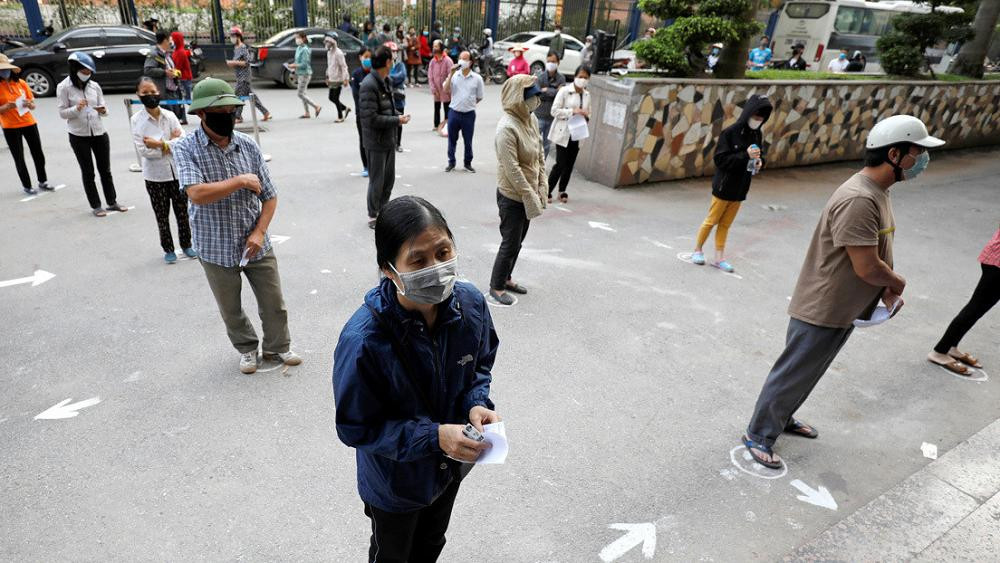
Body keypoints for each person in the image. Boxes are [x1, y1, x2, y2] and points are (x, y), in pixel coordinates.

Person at [743, 115, 945, 470]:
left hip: (843, 306)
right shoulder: (859, 199)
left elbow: (873, 254)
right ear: (894, 154)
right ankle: (759, 434)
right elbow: (866, 266)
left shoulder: (878, 191)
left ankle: (782, 417)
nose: (922, 161)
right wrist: (895, 282)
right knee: (794, 371)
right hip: (824, 304)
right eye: (917, 153)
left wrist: (883, 289)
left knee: (809, 370)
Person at [333, 195, 500, 563]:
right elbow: (355, 428)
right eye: (419, 260)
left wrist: (476, 402)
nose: (437, 267)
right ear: (390, 270)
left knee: (430, 546)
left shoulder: (470, 304)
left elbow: (480, 364)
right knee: (392, 554)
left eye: (443, 252)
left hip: (448, 471)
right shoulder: (363, 341)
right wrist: (434, 436)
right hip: (394, 484)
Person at [172, 77, 302, 375]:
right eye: (221, 112)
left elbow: (269, 197)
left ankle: (277, 346)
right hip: (214, 244)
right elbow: (196, 193)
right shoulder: (185, 148)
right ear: (202, 114)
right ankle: (246, 349)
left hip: (254, 241)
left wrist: (259, 232)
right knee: (230, 308)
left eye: (232, 111)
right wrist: (240, 181)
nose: (229, 117)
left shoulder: (248, 146)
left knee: (274, 302)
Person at [690, 95, 772, 273]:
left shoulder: (757, 134)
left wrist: (760, 162)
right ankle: (697, 250)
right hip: (724, 186)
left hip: (741, 188)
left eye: (761, 118)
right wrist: (745, 156)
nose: (758, 120)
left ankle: (719, 258)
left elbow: (760, 155)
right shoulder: (730, 133)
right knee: (711, 220)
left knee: (726, 224)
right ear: (748, 113)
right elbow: (720, 160)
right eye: (756, 116)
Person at [489, 74, 547, 307]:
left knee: (519, 241)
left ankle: (507, 278)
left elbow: (540, 153)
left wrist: (542, 183)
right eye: (530, 97)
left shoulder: (529, 119)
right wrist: (529, 193)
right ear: (517, 98)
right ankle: (496, 286)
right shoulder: (506, 128)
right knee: (510, 242)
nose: (535, 101)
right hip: (512, 195)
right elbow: (512, 169)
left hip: (528, 192)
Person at [130, 76, 195, 264]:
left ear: (158, 92)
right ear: (138, 95)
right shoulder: (137, 120)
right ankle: (168, 248)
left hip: (176, 173)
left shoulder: (170, 116)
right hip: (155, 177)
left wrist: (158, 144)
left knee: (183, 213)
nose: (150, 96)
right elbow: (143, 150)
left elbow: (183, 142)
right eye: (145, 93)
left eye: (153, 92)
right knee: (162, 215)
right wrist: (169, 144)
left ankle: (186, 244)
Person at [56, 52, 126, 217]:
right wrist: (76, 108)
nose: (87, 75)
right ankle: (96, 205)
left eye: (89, 72)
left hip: (99, 132)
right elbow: (62, 113)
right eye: (84, 72)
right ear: (75, 69)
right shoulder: (64, 87)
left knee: (105, 170)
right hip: (79, 135)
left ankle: (112, 202)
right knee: (88, 172)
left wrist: (103, 110)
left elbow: (104, 109)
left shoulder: (95, 86)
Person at [927, 226, 1000, 375]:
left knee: (977, 309)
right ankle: (939, 352)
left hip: (995, 259)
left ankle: (951, 347)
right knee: (975, 308)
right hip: (997, 263)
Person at [360, 46, 410, 228]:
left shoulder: (385, 80)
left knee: (389, 179)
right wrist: (396, 119)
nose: (394, 62)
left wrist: (398, 116)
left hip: (388, 138)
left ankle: (384, 210)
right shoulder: (369, 85)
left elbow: (388, 108)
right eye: (392, 59)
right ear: (387, 62)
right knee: (377, 180)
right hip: (375, 141)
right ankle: (373, 214)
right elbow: (371, 118)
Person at [0, 54, 55, 195]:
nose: (4, 72)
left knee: (38, 153)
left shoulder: (21, 83)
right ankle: (27, 185)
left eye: (6, 69)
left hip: (28, 122)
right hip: (10, 126)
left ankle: (43, 181)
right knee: (19, 157)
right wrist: (5, 107)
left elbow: (32, 104)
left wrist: (29, 104)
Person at [547, 66, 591, 203]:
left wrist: (586, 115)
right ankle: (547, 191)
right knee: (560, 163)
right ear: (575, 76)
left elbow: (590, 112)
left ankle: (562, 191)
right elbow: (554, 111)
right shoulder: (565, 91)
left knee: (570, 164)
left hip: (577, 133)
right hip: (563, 132)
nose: (582, 80)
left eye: (585, 77)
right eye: (580, 76)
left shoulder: (587, 95)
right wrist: (572, 111)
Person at [443, 50, 484, 173]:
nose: (461, 61)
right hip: (454, 112)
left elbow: (480, 96)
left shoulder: (477, 78)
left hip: (469, 114)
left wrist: (469, 104)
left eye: (465, 59)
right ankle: (451, 162)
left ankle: (467, 163)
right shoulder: (455, 76)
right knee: (452, 140)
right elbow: (445, 89)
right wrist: (451, 73)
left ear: (470, 62)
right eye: (460, 58)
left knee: (468, 140)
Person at [227, 26, 271, 123]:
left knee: (238, 97)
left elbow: (247, 62)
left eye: (233, 36)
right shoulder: (236, 48)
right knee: (252, 97)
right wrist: (233, 63)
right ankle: (266, 112)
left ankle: (238, 117)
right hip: (239, 76)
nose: (232, 38)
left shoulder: (243, 47)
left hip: (244, 77)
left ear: (239, 36)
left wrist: (233, 63)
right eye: (231, 36)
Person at [144, 30, 185, 123]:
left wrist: (175, 73)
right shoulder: (154, 54)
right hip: (164, 92)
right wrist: (165, 72)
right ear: (165, 40)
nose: (172, 41)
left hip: (174, 91)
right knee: (167, 122)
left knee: (175, 120)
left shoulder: (167, 54)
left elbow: (169, 68)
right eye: (170, 39)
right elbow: (148, 70)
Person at [534, 52, 565, 159]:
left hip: (552, 117)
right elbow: (538, 93)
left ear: (558, 63)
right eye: (549, 61)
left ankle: (541, 167)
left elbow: (562, 96)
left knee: (546, 145)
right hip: (539, 114)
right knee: (533, 142)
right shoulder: (540, 76)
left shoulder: (561, 78)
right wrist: (555, 90)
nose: (551, 63)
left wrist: (546, 90)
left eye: (553, 61)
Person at [290, 31, 322, 119]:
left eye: (298, 37)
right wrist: (293, 65)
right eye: (296, 38)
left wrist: (294, 65)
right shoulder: (299, 48)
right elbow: (298, 61)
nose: (296, 40)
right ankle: (307, 113)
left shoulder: (305, 50)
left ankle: (316, 106)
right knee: (303, 93)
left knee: (300, 94)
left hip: (305, 74)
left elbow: (304, 64)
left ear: (303, 38)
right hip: (300, 73)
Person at [351, 47, 372, 177]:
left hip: (374, 113)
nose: (368, 59)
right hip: (362, 114)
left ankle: (374, 165)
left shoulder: (375, 73)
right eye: (365, 57)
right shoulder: (356, 74)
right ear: (360, 57)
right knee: (363, 140)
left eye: (370, 57)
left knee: (374, 140)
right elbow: (356, 95)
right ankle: (366, 166)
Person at [428, 40, 453, 136]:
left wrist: (447, 88)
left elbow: (451, 75)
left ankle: (447, 125)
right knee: (436, 107)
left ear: (441, 48)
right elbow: (430, 76)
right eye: (433, 46)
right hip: (436, 88)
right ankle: (436, 124)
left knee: (447, 108)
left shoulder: (448, 60)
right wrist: (433, 89)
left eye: (436, 46)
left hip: (446, 89)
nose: (434, 48)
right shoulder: (432, 61)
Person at [387, 41, 408, 152]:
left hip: (399, 99)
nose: (394, 53)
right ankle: (389, 142)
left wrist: (390, 79)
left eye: (395, 51)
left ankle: (398, 143)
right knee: (388, 121)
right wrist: (392, 79)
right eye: (392, 51)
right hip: (387, 99)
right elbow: (384, 77)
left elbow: (402, 76)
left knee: (399, 122)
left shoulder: (400, 65)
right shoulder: (384, 66)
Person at [324, 35, 350, 123]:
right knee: (331, 97)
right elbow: (329, 65)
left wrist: (345, 78)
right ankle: (345, 108)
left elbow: (344, 66)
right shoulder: (329, 52)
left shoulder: (339, 53)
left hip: (338, 78)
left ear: (333, 42)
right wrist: (327, 76)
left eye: (328, 42)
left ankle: (340, 116)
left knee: (335, 97)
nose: (327, 43)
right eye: (326, 42)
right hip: (332, 78)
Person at [170, 31, 193, 124]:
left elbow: (177, 67)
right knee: (183, 99)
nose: (171, 40)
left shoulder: (180, 52)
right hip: (183, 78)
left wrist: (171, 73)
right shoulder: (178, 51)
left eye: (172, 38)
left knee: (183, 99)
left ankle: (183, 118)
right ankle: (183, 118)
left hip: (183, 78)